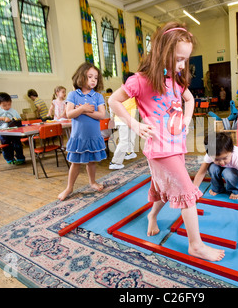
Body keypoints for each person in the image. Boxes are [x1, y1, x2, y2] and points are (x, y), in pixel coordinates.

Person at [109, 22, 225, 262]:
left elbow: (190, 100)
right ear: (162, 51)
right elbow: (113, 101)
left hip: (176, 145)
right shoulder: (140, 81)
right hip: (160, 149)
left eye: (186, 60)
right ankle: (196, 245)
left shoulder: (175, 80)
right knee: (186, 191)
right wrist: (135, 124)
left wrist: (187, 120)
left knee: (165, 189)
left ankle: (152, 216)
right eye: (179, 59)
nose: (183, 65)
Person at [58, 62, 107, 201]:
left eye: (95, 78)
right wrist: (83, 108)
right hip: (78, 137)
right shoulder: (73, 94)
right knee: (75, 163)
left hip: (93, 136)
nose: (93, 80)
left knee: (91, 162)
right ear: (81, 77)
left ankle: (92, 182)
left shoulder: (98, 96)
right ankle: (69, 187)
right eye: (90, 76)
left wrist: (84, 111)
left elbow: (101, 115)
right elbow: (69, 114)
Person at [0, 92, 26, 165]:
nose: (7, 107)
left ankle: (20, 158)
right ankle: (10, 159)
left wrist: (16, 119)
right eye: (4, 105)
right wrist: (3, 118)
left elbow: (19, 118)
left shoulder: (13, 110)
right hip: (3, 132)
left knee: (17, 145)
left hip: (14, 131)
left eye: (9, 104)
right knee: (6, 146)